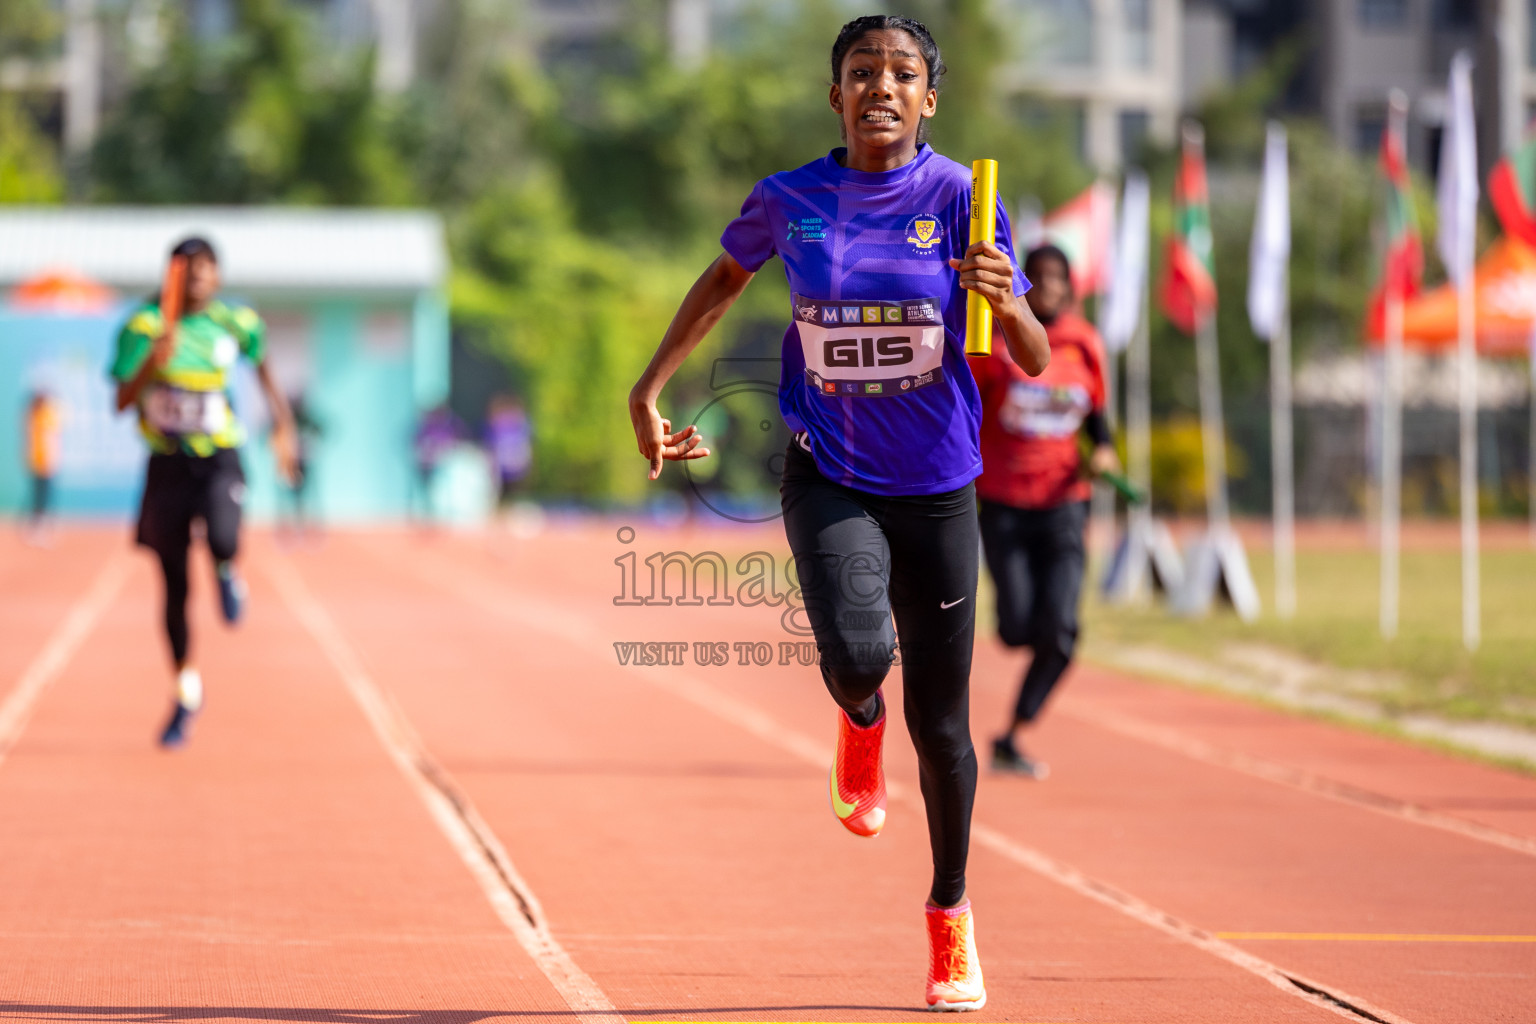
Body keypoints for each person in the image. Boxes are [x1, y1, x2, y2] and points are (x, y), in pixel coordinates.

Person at [627, 16, 1049, 1011]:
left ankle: (950, 916)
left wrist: (1009, 299)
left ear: (929, 98)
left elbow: (1028, 352)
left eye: (903, 74)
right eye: (863, 73)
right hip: (830, 471)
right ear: (836, 96)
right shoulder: (791, 200)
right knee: (862, 657)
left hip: (941, 485)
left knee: (943, 725)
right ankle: (857, 716)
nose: (882, 88)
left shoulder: (959, 200)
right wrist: (649, 391)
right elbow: (724, 277)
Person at [109, 237, 296, 748]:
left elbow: (265, 373)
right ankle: (185, 690)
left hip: (219, 457)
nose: (197, 277)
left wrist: (284, 429)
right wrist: (152, 363)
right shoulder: (143, 327)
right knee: (173, 587)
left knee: (223, 537)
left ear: (218, 276)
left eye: (207, 268)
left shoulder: (237, 324)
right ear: (172, 275)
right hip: (167, 464)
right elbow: (122, 401)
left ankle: (227, 569)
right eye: (187, 269)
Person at [970, 244, 1118, 780]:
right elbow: (969, 406)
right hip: (1005, 501)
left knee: (1059, 631)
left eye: (1060, 278)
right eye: (1041, 276)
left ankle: (1014, 731)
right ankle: (1022, 626)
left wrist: (1103, 450)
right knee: (1015, 629)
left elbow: (1098, 415)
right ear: (1025, 282)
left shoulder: (1085, 343)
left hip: (1064, 505)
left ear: (1072, 287)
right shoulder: (995, 336)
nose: (1051, 286)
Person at [24, 390, 61, 543]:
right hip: (42, 463)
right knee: (40, 498)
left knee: (43, 498)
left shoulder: (45, 415)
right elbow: (46, 441)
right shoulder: (37, 416)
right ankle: (36, 529)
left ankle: (39, 527)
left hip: (44, 462)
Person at [484, 395, 533, 507]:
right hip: (504, 469)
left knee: (515, 497)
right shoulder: (497, 425)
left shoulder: (520, 424)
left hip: (516, 467)